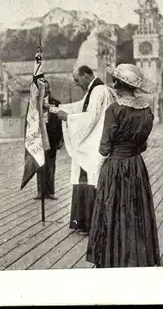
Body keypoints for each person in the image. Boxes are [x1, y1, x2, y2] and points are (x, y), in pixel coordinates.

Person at [87, 64, 160, 268]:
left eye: (115, 80)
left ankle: (113, 259)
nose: (114, 83)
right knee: (136, 211)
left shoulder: (114, 109)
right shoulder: (146, 111)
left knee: (113, 210)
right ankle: (137, 259)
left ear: (119, 84)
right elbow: (143, 145)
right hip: (136, 166)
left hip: (115, 167)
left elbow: (104, 148)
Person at [53, 65, 116, 235]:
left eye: (77, 80)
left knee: (89, 180)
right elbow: (80, 107)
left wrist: (68, 118)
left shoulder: (98, 91)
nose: (76, 84)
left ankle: (90, 224)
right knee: (86, 179)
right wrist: (55, 108)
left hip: (93, 144)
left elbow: (91, 116)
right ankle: (84, 222)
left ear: (87, 75)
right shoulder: (95, 90)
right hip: (94, 141)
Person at [35, 81, 63, 200]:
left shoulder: (56, 103)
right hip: (39, 137)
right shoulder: (34, 104)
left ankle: (50, 191)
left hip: (52, 137)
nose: (45, 91)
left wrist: (60, 138)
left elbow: (60, 120)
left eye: (46, 88)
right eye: (42, 89)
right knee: (39, 165)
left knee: (51, 164)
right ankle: (41, 192)